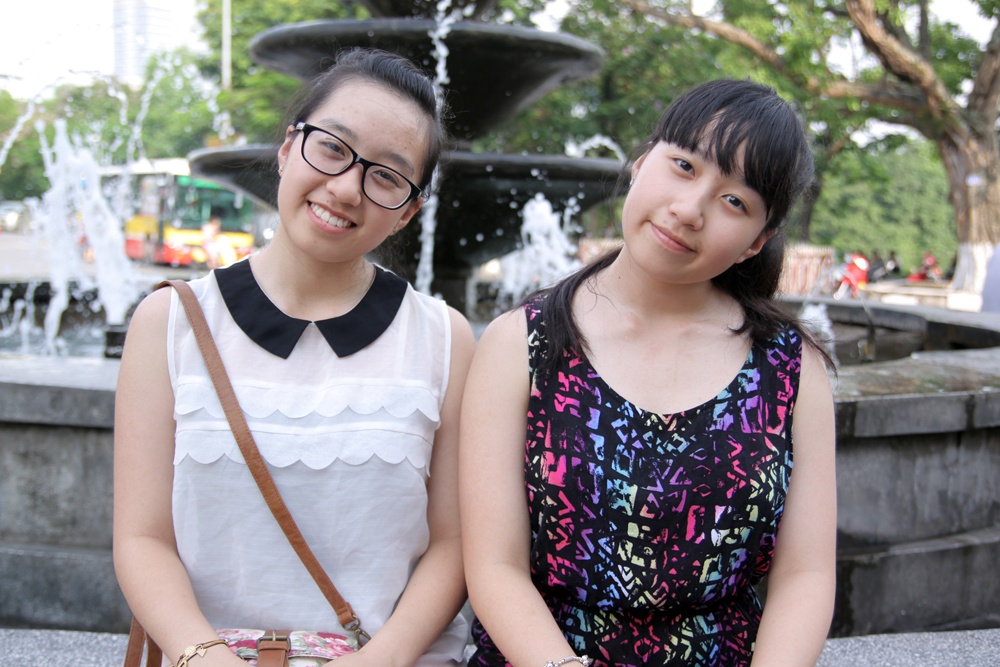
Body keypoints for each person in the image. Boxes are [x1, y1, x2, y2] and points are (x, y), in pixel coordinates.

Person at [114, 48, 475, 667]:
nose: (346, 188)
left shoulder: (443, 339)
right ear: (288, 148)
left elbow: (455, 542)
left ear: (408, 212)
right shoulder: (169, 323)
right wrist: (206, 657)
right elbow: (142, 538)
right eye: (332, 147)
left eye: (386, 177)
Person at [460, 79, 837, 667]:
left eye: (734, 202)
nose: (689, 210)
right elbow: (494, 565)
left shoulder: (791, 367)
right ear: (641, 164)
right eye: (683, 166)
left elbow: (806, 574)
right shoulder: (521, 343)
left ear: (756, 242)